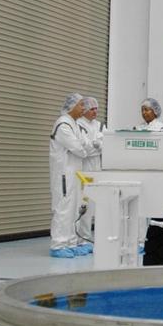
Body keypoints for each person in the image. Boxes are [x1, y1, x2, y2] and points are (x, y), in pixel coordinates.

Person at [49, 93, 98, 258]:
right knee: (63, 209)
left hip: (74, 174)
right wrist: (88, 148)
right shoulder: (63, 125)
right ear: (72, 106)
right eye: (81, 105)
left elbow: (87, 146)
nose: (83, 108)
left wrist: (90, 147)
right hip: (64, 174)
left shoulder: (75, 125)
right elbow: (79, 149)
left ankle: (70, 242)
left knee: (74, 209)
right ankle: (58, 244)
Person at [77, 97, 105, 243]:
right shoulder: (78, 125)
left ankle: (96, 237)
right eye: (92, 109)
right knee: (85, 202)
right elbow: (85, 149)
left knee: (98, 203)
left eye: (96, 109)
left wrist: (97, 145)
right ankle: (83, 238)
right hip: (85, 167)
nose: (95, 111)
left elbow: (105, 145)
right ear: (85, 110)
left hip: (97, 167)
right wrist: (96, 145)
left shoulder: (100, 125)